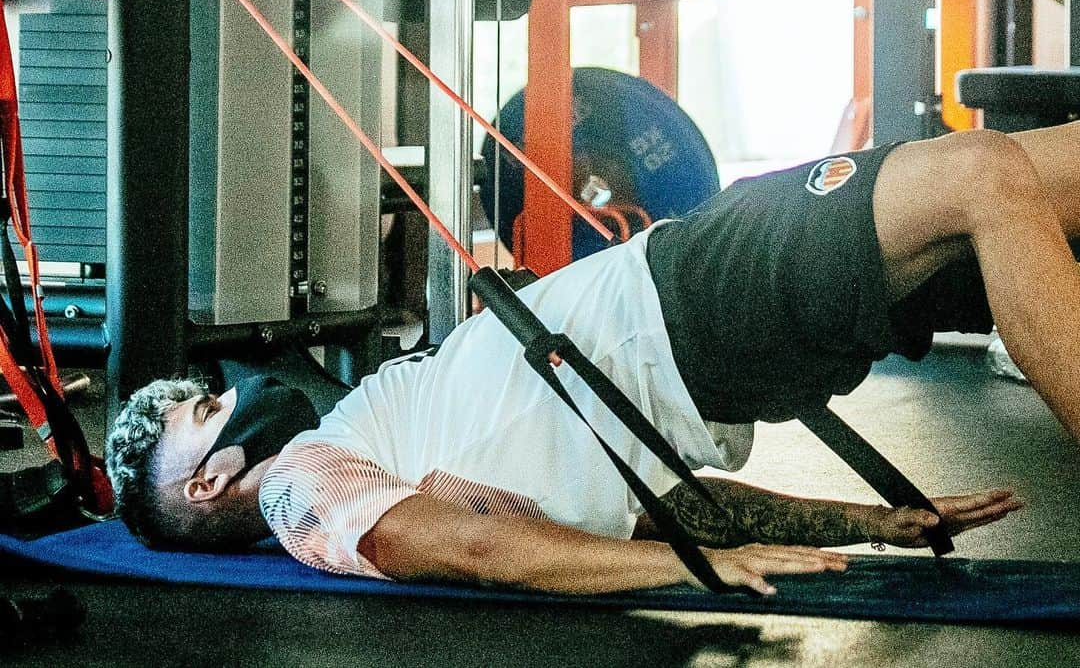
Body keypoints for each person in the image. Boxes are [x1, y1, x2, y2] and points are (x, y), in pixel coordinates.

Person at [106, 119, 1080, 595]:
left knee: (1038, 177)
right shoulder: (302, 488)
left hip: (704, 327)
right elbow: (470, 550)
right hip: (691, 298)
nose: (232, 397)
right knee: (981, 172)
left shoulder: (371, 434)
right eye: (205, 415)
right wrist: (694, 570)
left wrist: (873, 521)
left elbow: (672, 505)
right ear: (207, 485)